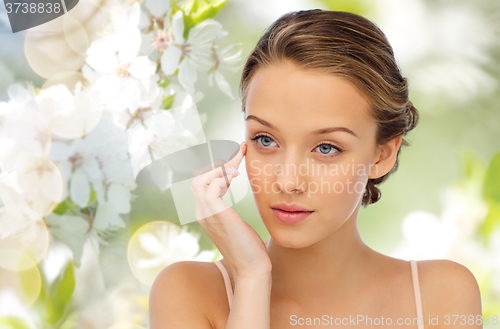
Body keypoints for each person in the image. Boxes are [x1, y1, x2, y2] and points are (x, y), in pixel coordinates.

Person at [149, 9, 482, 329]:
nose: (288, 181)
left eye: (326, 148)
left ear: (382, 154)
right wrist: (252, 277)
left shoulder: (441, 295)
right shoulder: (188, 291)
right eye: (266, 140)